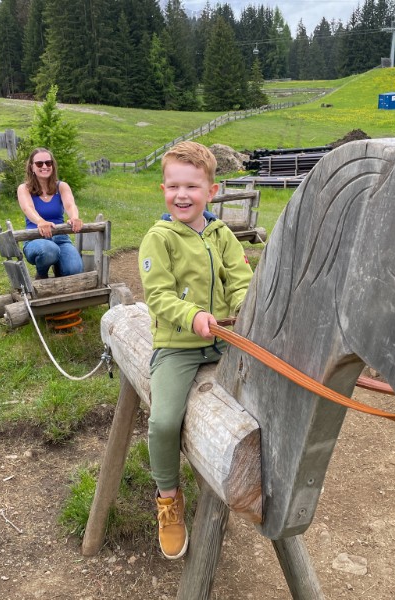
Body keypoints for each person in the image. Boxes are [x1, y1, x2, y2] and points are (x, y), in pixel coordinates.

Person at [138, 141, 253, 560]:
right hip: (179, 345)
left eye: (192, 186)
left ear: (212, 190)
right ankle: (168, 498)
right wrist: (194, 316)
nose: (182, 195)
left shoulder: (222, 235)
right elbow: (159, 296)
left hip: (226, 340)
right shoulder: (159, 238)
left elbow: (240, 281)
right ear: (163, 189)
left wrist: (244, 311)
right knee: (165, 422)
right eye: (173, 187)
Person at [17, 148, 84, 279]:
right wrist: (40, 222)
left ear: (53, 165)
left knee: (74, 270)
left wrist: (74, 217)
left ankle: (59, 267)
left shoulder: (61, 186)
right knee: (49, 250)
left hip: (60, 238)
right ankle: (41, 274)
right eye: (39, 164)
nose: (44, 166)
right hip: (35, 238)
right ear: (32, 167)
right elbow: (28, 208)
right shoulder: (24, 188)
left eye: (48, 163)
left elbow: (70, 205)